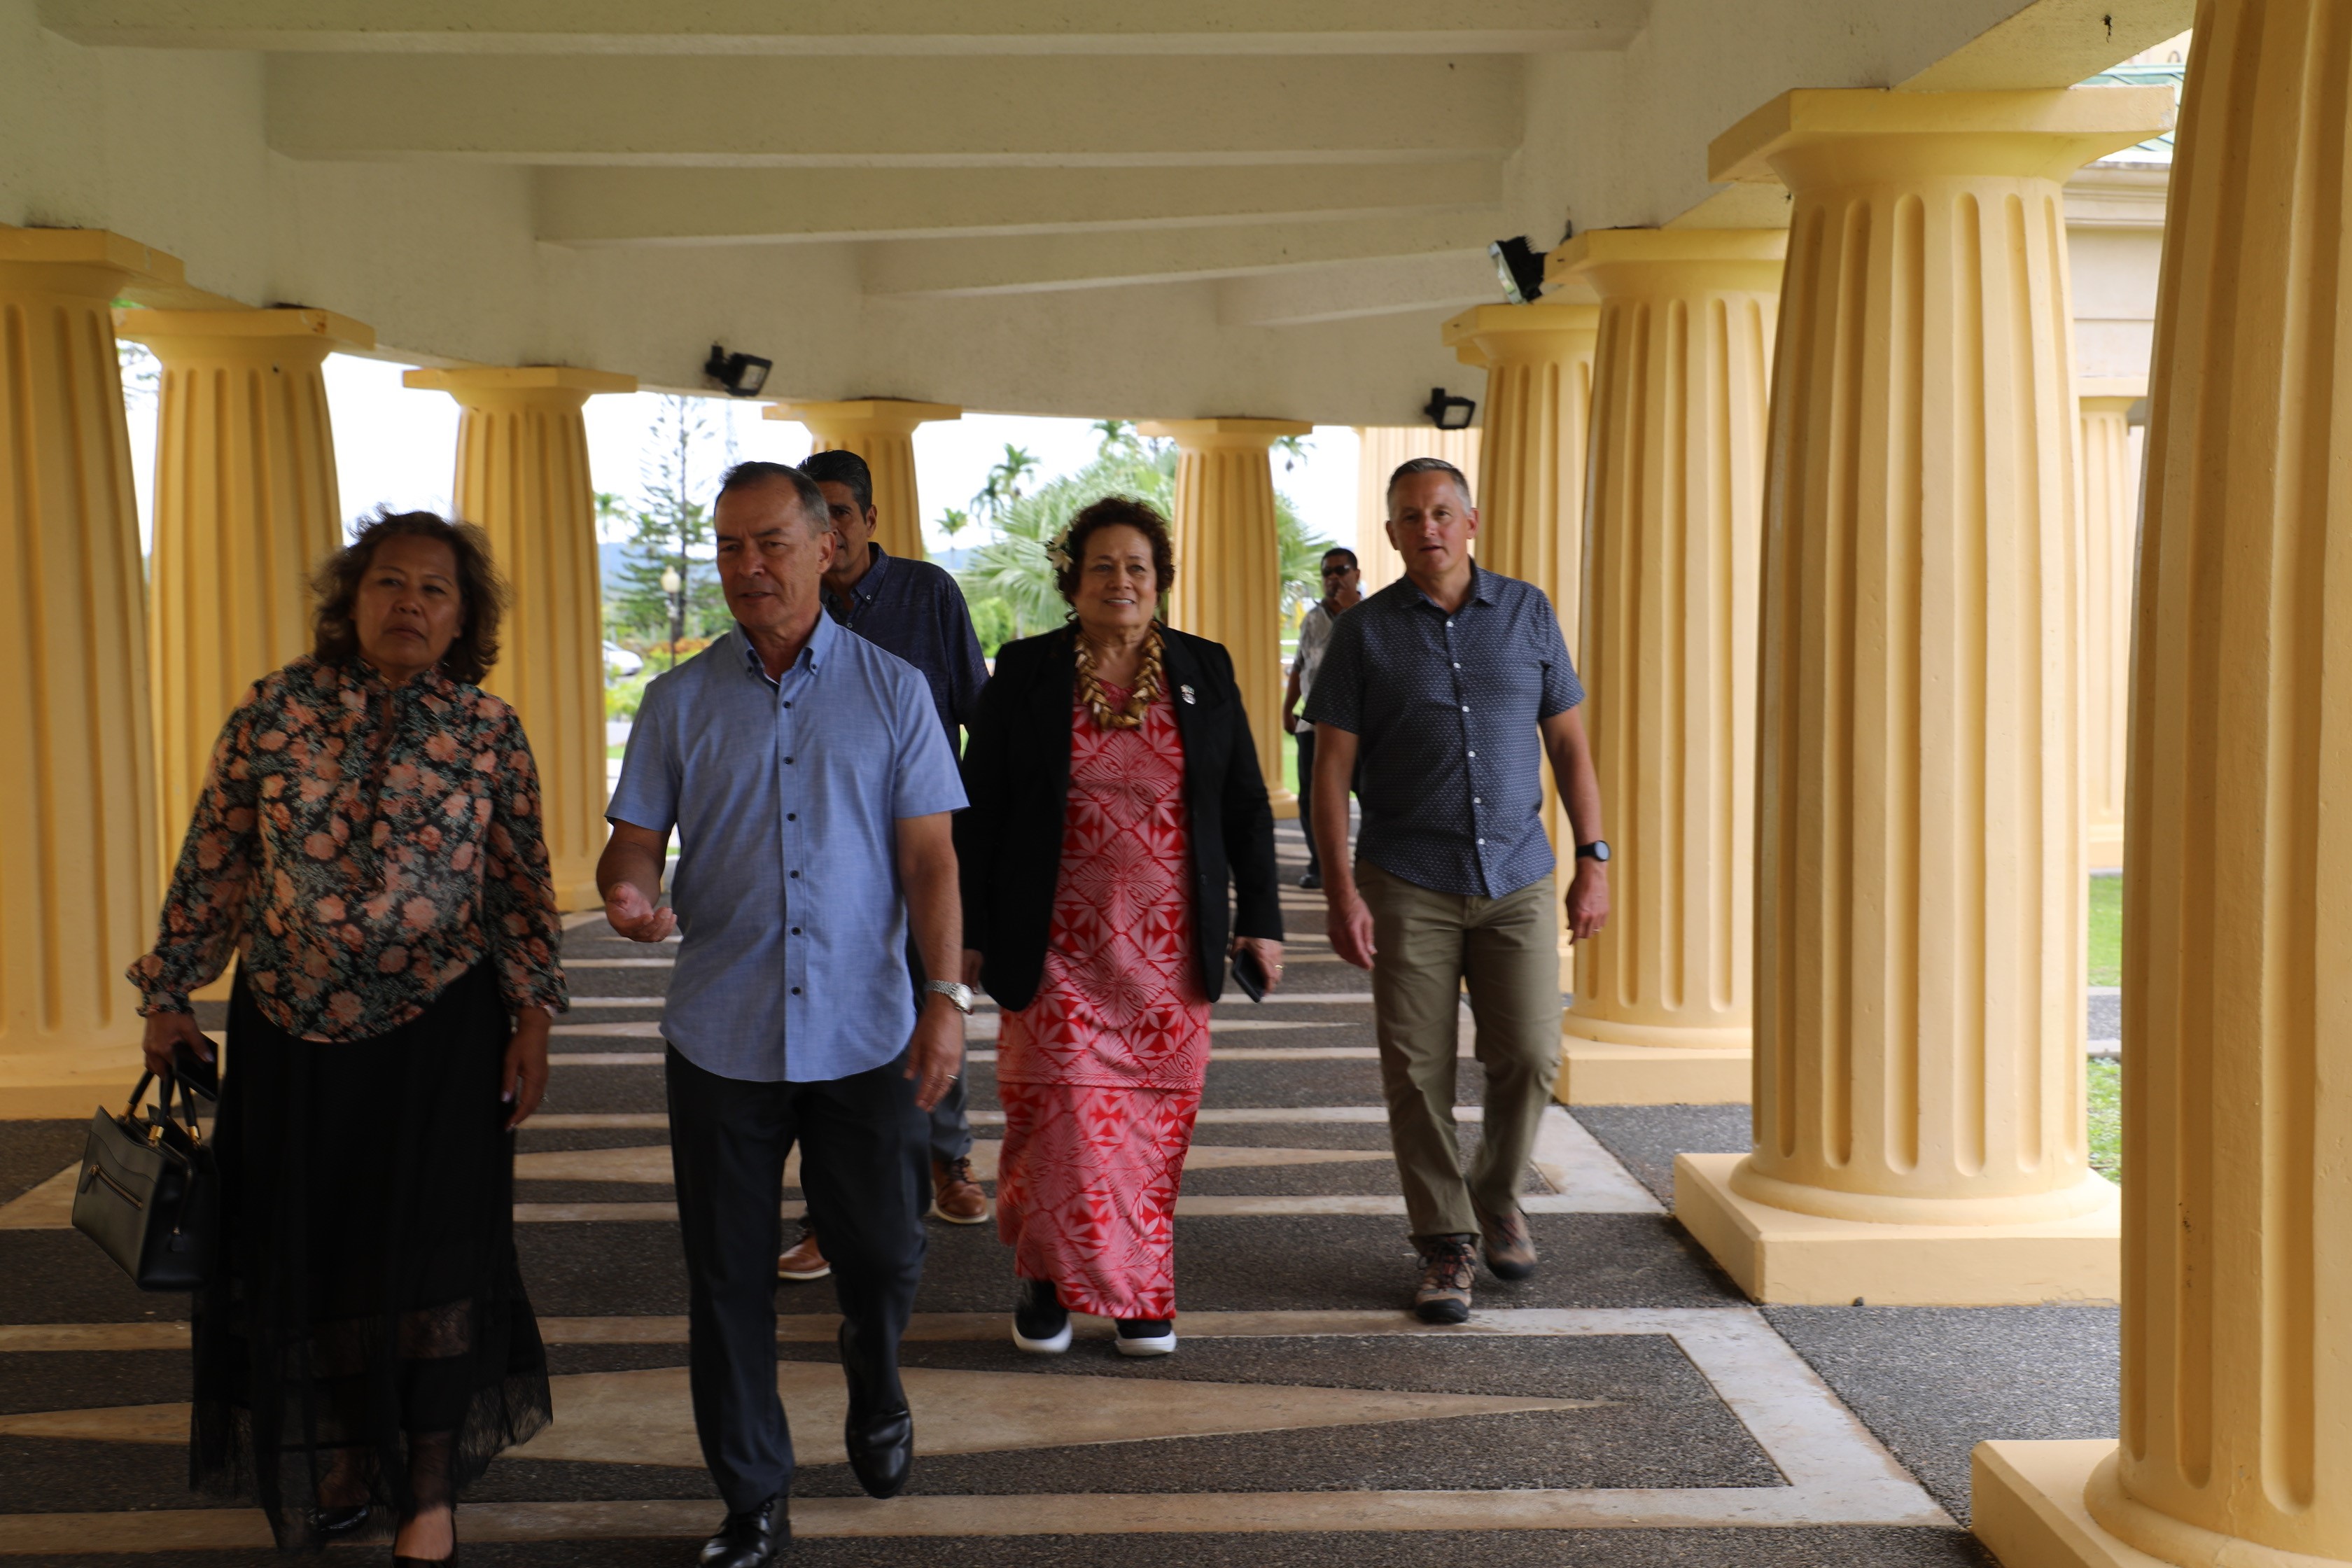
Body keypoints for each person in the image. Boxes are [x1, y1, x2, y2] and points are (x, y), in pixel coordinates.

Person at [127, 510, 565, 1562]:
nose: (408, 603)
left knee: (432, 1251)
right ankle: (341, 1458)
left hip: (443, 1036)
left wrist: (534, 1021)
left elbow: (520, 888)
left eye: (434, 590)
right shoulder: (272, 712)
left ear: (464, 619)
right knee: (312, 1251)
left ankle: (425, 1485)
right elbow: (218, 858)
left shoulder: (488, 730)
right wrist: (170, 989)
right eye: (388, 583)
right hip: (288, 1035)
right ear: (351, 600)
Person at [598, 461, 967, 1568]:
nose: (746, 567)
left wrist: (944, 1000)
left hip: (867, 1029)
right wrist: (626, 888)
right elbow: (633, 842)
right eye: (727, 547)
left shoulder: (896, 690)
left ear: (825, 548)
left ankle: (876, 1371)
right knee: (725, 1276)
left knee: (886, 1254)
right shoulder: (677, 702)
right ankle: (753, 1496)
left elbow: (932, 863)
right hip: (723, 1033)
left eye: (768, 543)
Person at [957, 496, 1284, 1359]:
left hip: (1170, 952)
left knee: (1148, 1126)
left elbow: (1246, 805)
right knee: (1058, 1116)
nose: (1121, 580)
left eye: (1137, 565)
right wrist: (970, 930)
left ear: (1161, 579)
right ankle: (1047, 1281)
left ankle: (1140, 1289)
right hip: (1055, 941)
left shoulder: (1204, 669)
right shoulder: (1024, 671)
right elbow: (978, 813)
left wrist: (1263, 921)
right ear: (1073, 580)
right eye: (1102, 565)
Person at [1303, 457, 1611, 1326]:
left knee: (1533, 1055)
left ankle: (1494, 1191)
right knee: (1416, 1069)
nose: (1428, 527)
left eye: (1443, 511)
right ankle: (1446, 1240)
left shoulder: (1527, 611)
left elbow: (1571, 747)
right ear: (1393, 532)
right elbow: (1331, 771)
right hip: (1408, 877)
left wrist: (1595, 857)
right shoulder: (1363, 633)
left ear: (1471, 522)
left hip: (1517, 872)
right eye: (1411, 515)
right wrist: (1340, 889)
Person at [775, 448, 991, 1291]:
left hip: (924, 845)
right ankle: (825, 1215)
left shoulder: (929, 593)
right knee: (827, 1032)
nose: (826, 533)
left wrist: (981, 838)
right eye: (811, 518)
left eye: (838, 514)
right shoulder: (786, 605)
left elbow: (977, 707)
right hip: (824, 860)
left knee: (936, 998)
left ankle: (951, 1160)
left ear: (867, 520)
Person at [1281, 545, 1364, 890]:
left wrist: (1351, 612)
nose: (1333, 578)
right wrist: (1288, 708)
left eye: (1340, 570)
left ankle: (1370, 867)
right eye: (1327, 572)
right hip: (1313, 725)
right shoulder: (1312, 618)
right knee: (1312, 799)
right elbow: (1301, 665)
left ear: (1356, 574)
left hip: (1360, 728)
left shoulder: (1372, 613)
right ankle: (1321, 866)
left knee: (1370, 796)